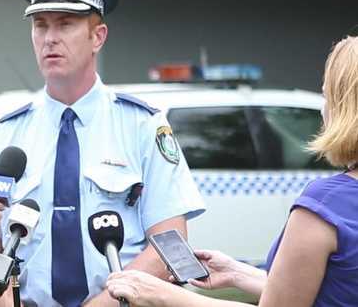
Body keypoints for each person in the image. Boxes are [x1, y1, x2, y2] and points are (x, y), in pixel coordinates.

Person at [0, 0, 205, 307]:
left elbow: (169, 245)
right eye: (40, 25)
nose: (49, 38)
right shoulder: (7, 134)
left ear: (98, 36)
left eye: (65, 24)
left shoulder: (142, 125)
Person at [105, 36, 358, 307]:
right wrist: (237, 272)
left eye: (326, 95)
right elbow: (319, 292)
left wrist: (164, 296)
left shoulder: (325, 205)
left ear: (344, 107)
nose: (323, 108)